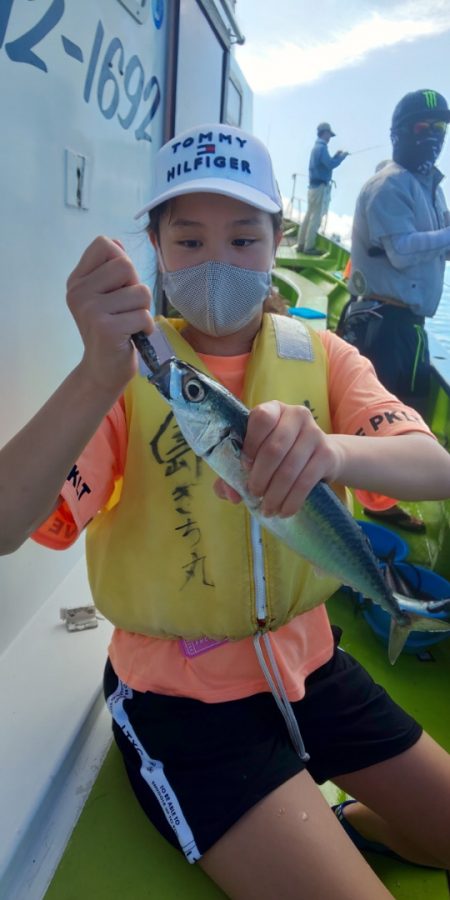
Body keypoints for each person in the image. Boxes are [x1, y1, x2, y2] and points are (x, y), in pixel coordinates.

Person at [1, 123, 450, 900]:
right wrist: (92, 372)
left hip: (313, 666)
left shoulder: (325, 356)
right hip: (184, 705)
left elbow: (431, 467)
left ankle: (350, 823)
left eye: (243, 239)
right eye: (189, 240)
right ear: (156, 247)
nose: (217, 262)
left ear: (277, 240)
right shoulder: (126, 381)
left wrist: (334, 454)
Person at [340, 89, 450, 417]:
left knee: (407, 417)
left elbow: (438, 247)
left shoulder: (433, 189)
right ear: (399, 133)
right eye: (422, 127)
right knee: (375, 420)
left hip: (410, 328)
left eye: (440, 128)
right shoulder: (387, 186)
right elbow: (401, 250)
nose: (433, 135)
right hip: (381, 326)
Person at [297, 122, 348, 255]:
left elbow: (326, 163)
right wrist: (341, 158)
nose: (330, 137)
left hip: (312, 187)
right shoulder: (322, 148)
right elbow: (330, 165)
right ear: (324, 133)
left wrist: (336, 156)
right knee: (316, 218)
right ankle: (309, 247)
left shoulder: (316, 147)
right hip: (320, 187)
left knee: (309, 215)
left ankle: (301, 244)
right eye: (329, 134)